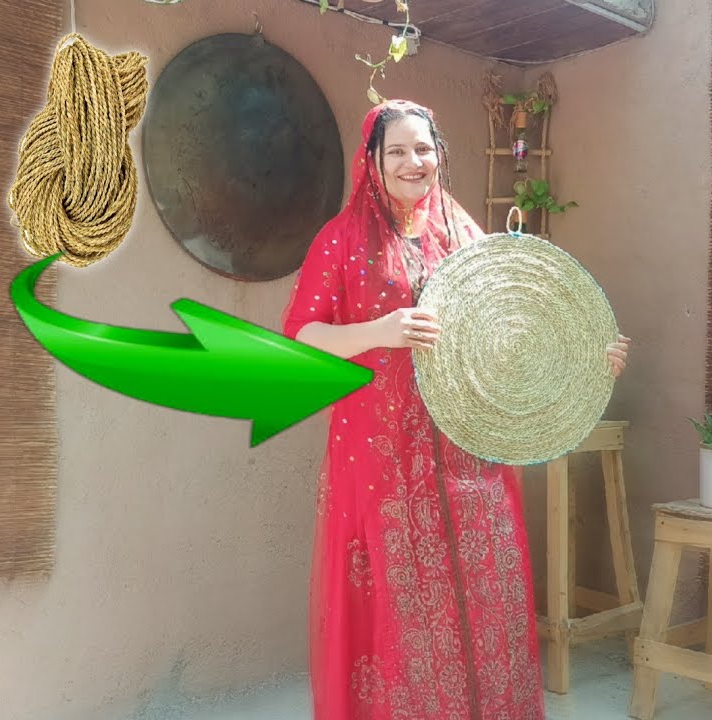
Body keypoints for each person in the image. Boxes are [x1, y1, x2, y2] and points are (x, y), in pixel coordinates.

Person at [281, 99, 630, 720]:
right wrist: (378, 331)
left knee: (480, 599)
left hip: (468, 454)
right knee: (401, 608)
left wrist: (587, 358)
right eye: (397, 151)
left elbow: (516, 329)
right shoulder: (339, 240)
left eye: (424, 148)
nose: (414, 161)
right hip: (383, 458)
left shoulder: (464, 235)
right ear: (372, 162)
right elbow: (298, 338)